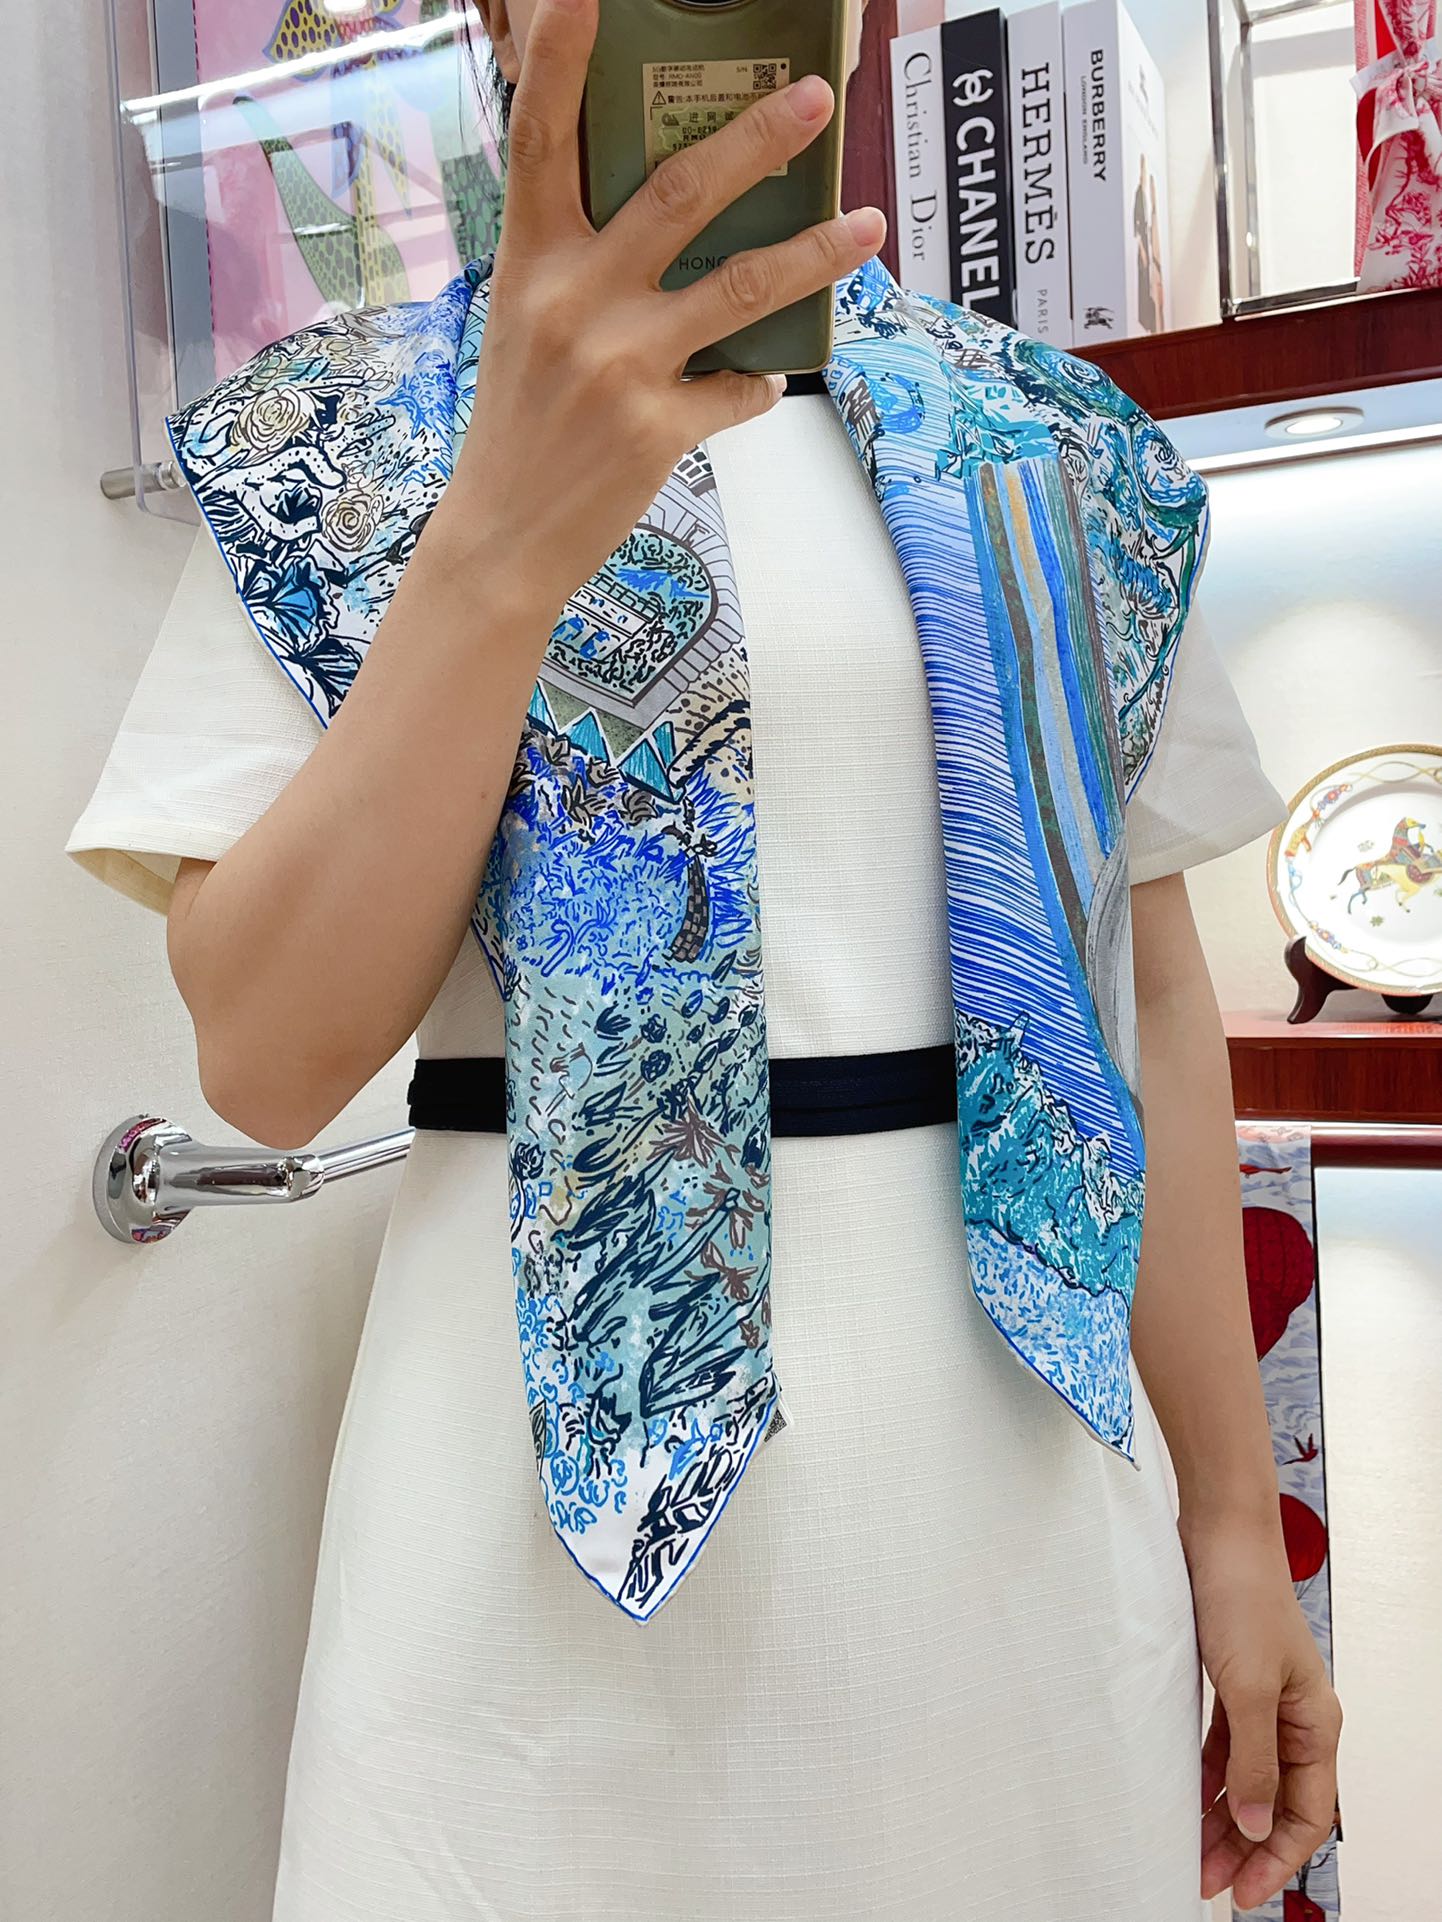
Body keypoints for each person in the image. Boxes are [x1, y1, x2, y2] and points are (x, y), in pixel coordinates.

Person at [68, 1, 1343, 1915]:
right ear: (500, 20)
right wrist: (498, 541)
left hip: (1010, 1520)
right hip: (513, 1547)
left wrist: (1237, 1517)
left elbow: (1143, 998)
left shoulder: (1060, 449)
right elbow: (263, 1061)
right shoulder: (329, 440)